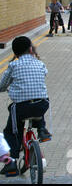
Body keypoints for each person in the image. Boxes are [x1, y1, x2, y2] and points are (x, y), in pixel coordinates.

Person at [0, 36, 51, 177]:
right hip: (42, 104)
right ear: (31, 49)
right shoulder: (39, 63)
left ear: (15, 53)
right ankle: (42, 129)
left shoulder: (13, 65)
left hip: (22, 107)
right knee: (38, 103)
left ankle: (11, 163)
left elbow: (2, 85)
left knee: (11, 131)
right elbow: (44, 74)